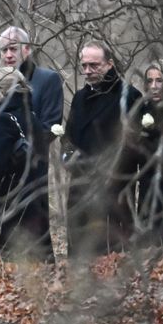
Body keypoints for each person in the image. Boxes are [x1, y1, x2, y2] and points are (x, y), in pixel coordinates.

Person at [62, 41, 142, 257]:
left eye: (94, 65)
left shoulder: (129, 96)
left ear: (109, 64)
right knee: (79, 243)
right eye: (84, 65)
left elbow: (134, 144)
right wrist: (67, 157)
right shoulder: (80, 97)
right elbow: (68, 136)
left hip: (113, 185)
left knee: (110, 247)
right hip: (79, 181)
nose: (88, 71)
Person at [0, 67, 54, 262]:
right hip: (36, 203)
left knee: (14, 272)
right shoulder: (33, 118)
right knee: (41, 269)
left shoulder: (2, 120)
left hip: (11, 208)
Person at [0, 26, 62, 258]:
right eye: (4, 50)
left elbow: (51, 125)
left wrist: (21, 149)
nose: (8, 55)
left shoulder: (47, 79)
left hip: (34, 165)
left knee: (36, 227)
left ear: (27, 49)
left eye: (13, 49)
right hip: (3, 170)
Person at [135, 62, 163, 244]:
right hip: (148, 177)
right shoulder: (142, 108)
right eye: (150, 81)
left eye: (159, 81)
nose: (154, 86)